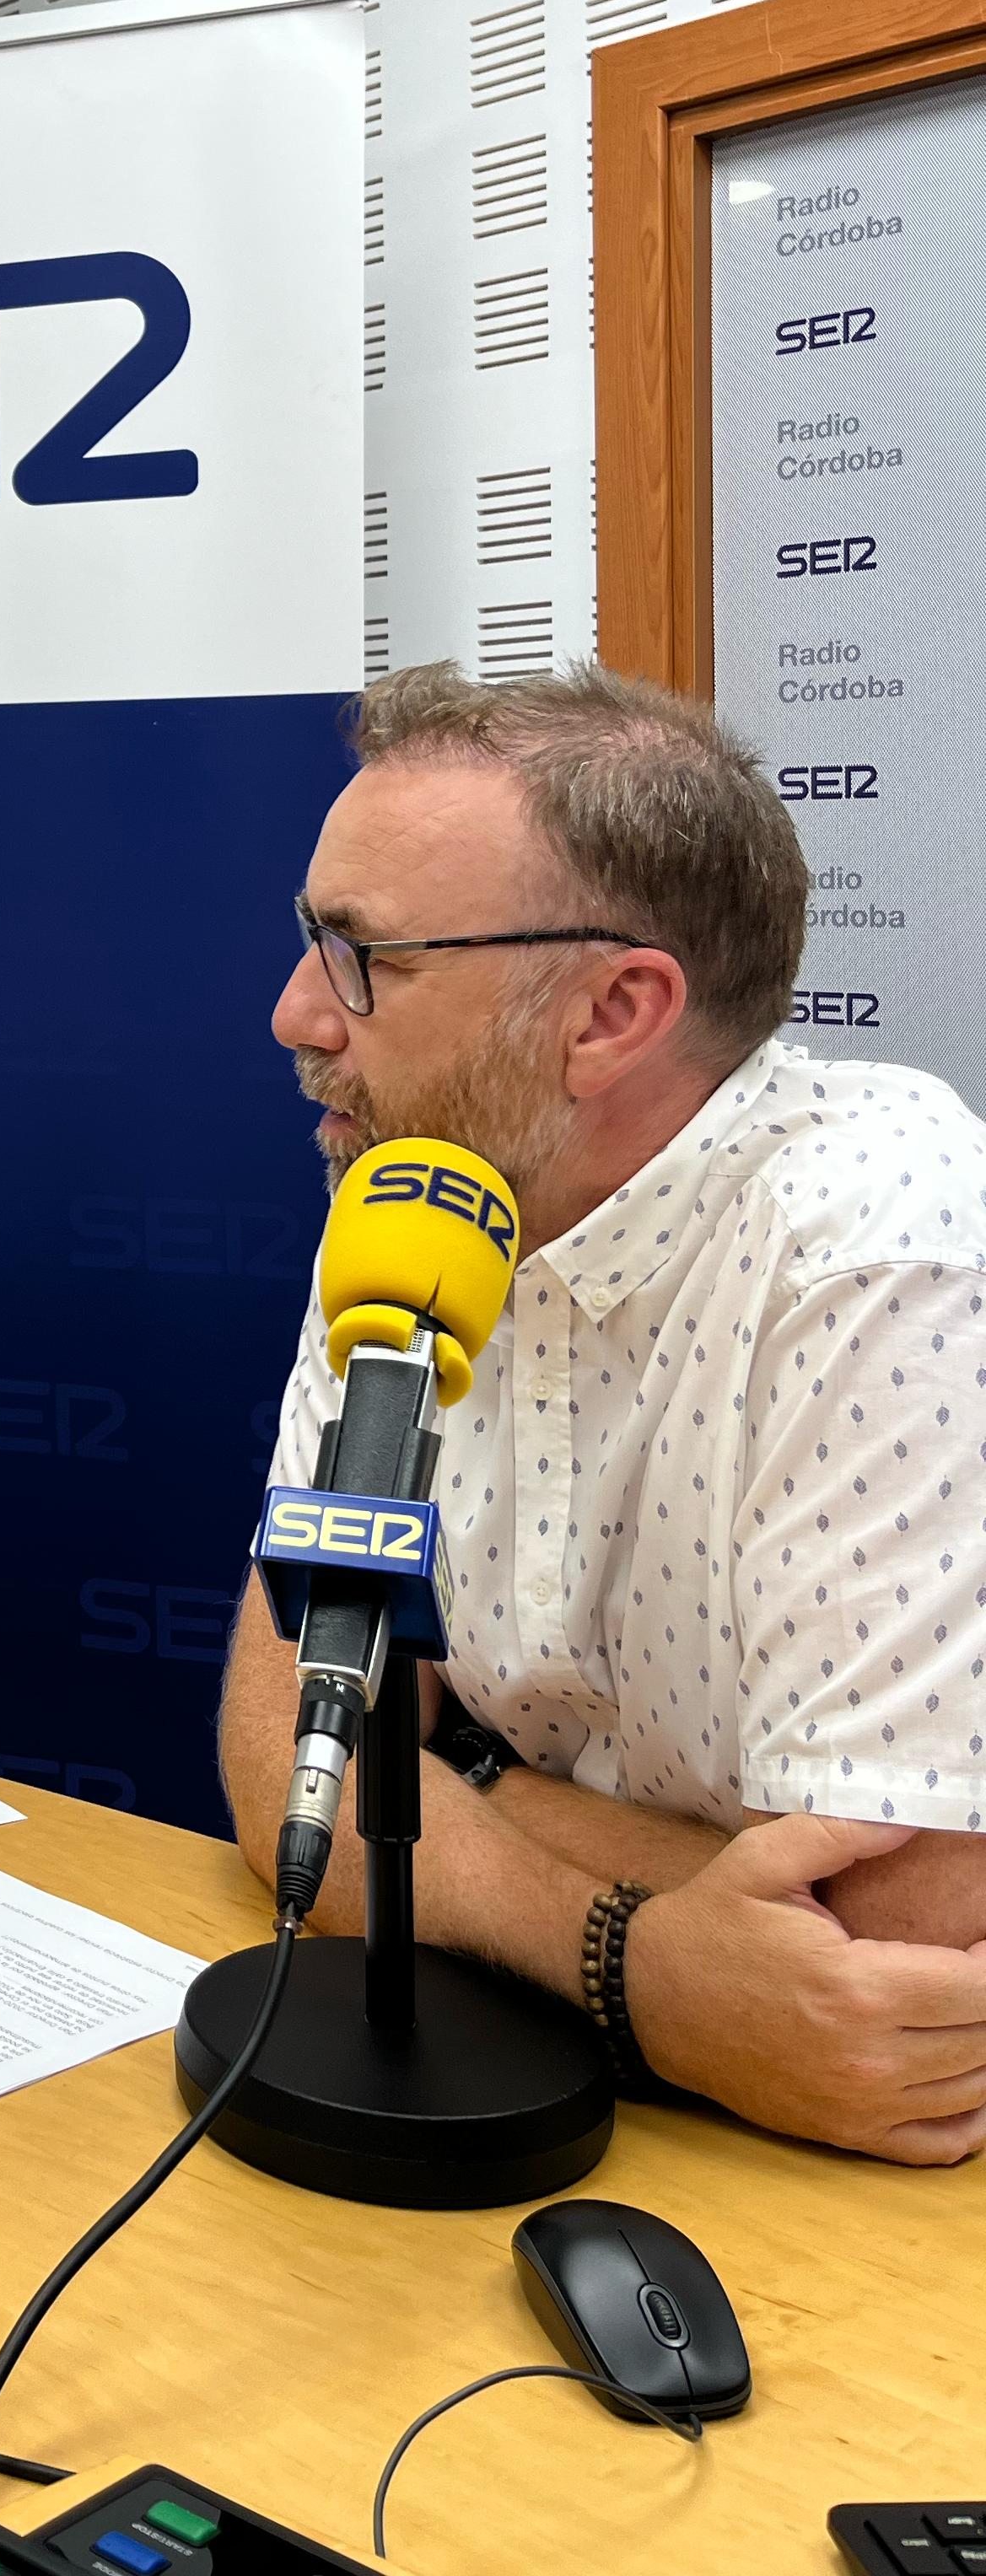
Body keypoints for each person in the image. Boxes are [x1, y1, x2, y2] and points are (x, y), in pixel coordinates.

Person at [221, 662, 986, 2166]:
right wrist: (633, 1961)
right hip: (626, 2076)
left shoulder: (885, 1251)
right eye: (309, 940)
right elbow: (291, 1746)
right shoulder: (411, 1195)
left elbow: (891, 1950)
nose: (293, 1011)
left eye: (361, 958)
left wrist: (458, 1781)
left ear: (609, 1012)